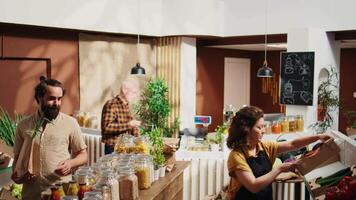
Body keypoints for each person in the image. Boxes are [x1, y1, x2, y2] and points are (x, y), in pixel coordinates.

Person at [226, 106, 331, 200]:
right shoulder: (236, 156)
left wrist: (318, 137)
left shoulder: (264, 147)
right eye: (259, 127)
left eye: (263, 126)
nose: (263, 131)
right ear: (246, 130)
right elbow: (253, 186)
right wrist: (279, 169)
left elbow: (293, 144)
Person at [12, 76, 88, 199]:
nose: (56, 103)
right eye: (51, 99)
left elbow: (83, 155)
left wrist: (70, 163)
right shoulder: (23, 125)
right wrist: (18, 175)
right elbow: (17, 159)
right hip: (31, 195)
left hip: (60, 193)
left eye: (59, 99)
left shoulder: (70, 123)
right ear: (39, 98)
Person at [101, 80, 141, 154]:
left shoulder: (126, 105)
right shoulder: (111, 105)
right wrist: (130, 124)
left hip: (125, 148)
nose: (135, 96)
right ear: (125, 91)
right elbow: (107, 127)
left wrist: (138, 140)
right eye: (134, 93)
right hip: (113, 148)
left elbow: (131, 127)